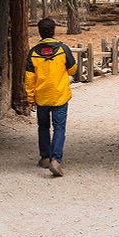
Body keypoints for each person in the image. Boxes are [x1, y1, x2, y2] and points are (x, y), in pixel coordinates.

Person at [25, 17, 77, 177]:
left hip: (41, 97)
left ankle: (45, 157)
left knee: (43, 127)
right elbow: (73, 69)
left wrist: (30, 98)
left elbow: (29, 78)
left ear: (39, 32)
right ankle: (56, 160)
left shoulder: (33, 52)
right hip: (59, 96)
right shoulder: (63, 49)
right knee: (59, 127)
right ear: (53, 31)